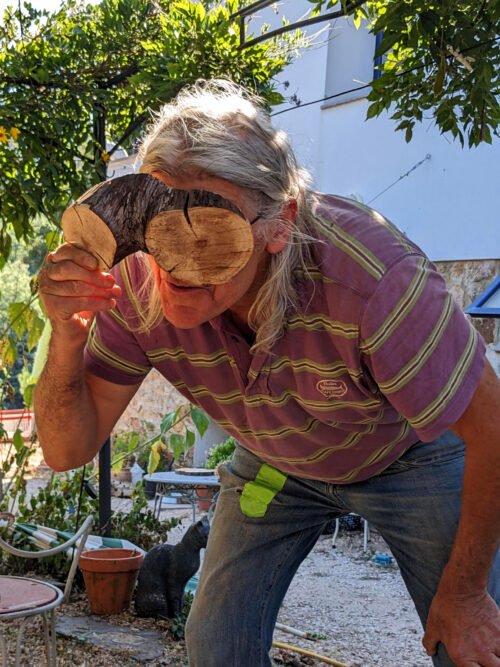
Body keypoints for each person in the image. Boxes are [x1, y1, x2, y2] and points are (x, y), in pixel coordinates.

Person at [34, 79, 499, 667]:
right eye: (159, 225)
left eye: (208, 233)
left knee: (472, 643)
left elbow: (495, 426)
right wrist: (68, 338)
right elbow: (66, 449)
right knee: (216, 642)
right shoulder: (135, 283)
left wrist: (465, 593)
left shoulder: (375, 279)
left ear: (279, 224)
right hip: (277, 462)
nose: (174, 266)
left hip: (407, 456)